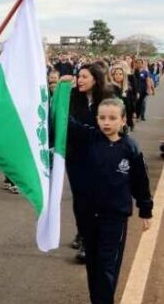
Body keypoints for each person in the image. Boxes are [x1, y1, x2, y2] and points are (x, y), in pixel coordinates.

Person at [65, 96, 153, 304]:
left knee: (107, 265)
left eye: (112, 118)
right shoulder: (89, 138)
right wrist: (58, 92)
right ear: (96, 119)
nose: (106, 122)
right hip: (88, 214)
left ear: (122, 121)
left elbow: (140, 182)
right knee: (93, 264)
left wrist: (145, 210)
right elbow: (66, 123)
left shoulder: (130, 148)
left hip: (114, 216)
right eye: (102, 117)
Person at [67, 63, 114, 263]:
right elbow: (67, 123)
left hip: (99, 156)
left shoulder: (107, 99)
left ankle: (90, 236)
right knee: (80, 198)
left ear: (95, 79)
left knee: (95, 198)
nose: (80, 79)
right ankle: (84, 236)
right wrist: (92, 131)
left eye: (84, 76)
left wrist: (85, 130)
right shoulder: (71, 97)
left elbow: (109, 126)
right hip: (76, 156)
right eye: (78, 76)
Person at [110, 63, 136, 132]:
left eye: (120, 74)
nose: (118, 76)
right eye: (116, 74)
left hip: (126, 116)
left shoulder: (128, 88)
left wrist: (133, 112)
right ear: (113, 76)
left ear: (124, 75)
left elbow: (131, 101)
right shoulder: (110, 88)